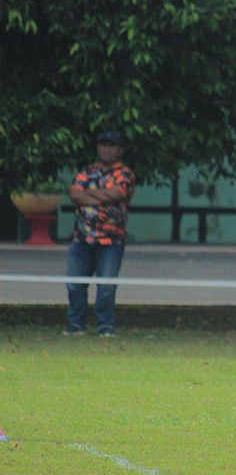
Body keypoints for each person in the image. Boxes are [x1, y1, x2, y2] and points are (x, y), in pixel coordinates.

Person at [65, 130, 136, 338]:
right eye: (103, 144)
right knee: (74, 284)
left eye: (112, 145)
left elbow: (116, 194)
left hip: (110, 240)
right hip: (82, 238)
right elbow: (73, 194)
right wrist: (102, 197)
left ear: (120, 150)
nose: (106, 149)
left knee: (106, 285)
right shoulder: (87, 171)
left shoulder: (125, 174)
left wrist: (87, 193)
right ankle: (75, 325)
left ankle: (105, 325)